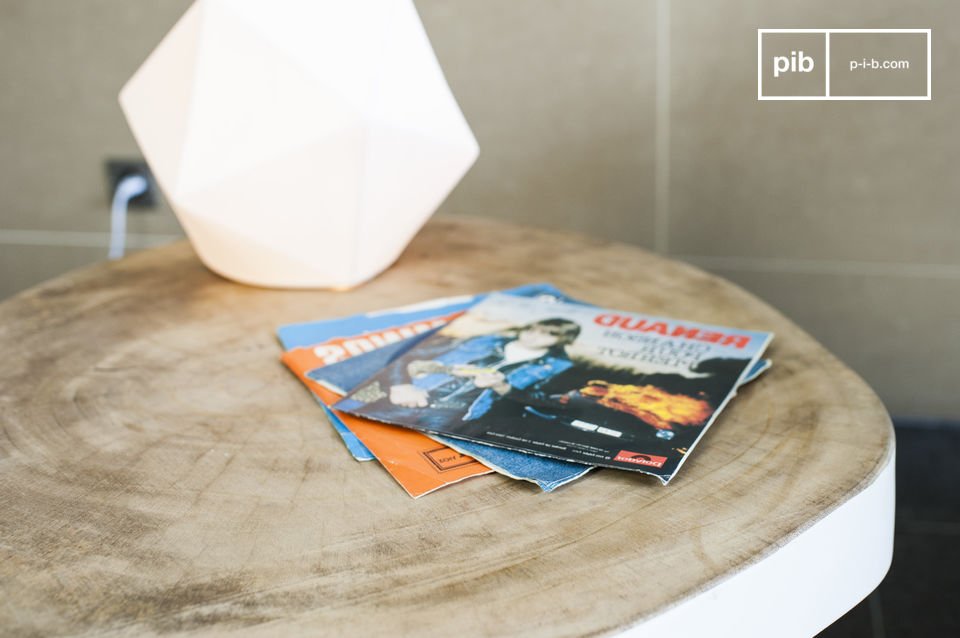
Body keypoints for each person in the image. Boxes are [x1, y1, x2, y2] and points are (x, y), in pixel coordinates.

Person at [387, 317, 581, 421]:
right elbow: (412, 356)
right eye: (532, 330)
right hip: (416, 394)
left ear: (562, 340)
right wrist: (402, 384)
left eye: (547, 335)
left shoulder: (559, 366)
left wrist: (502, 387)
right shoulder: (487, 340)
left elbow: (551, 403)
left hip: (460, 414)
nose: (533, 337)